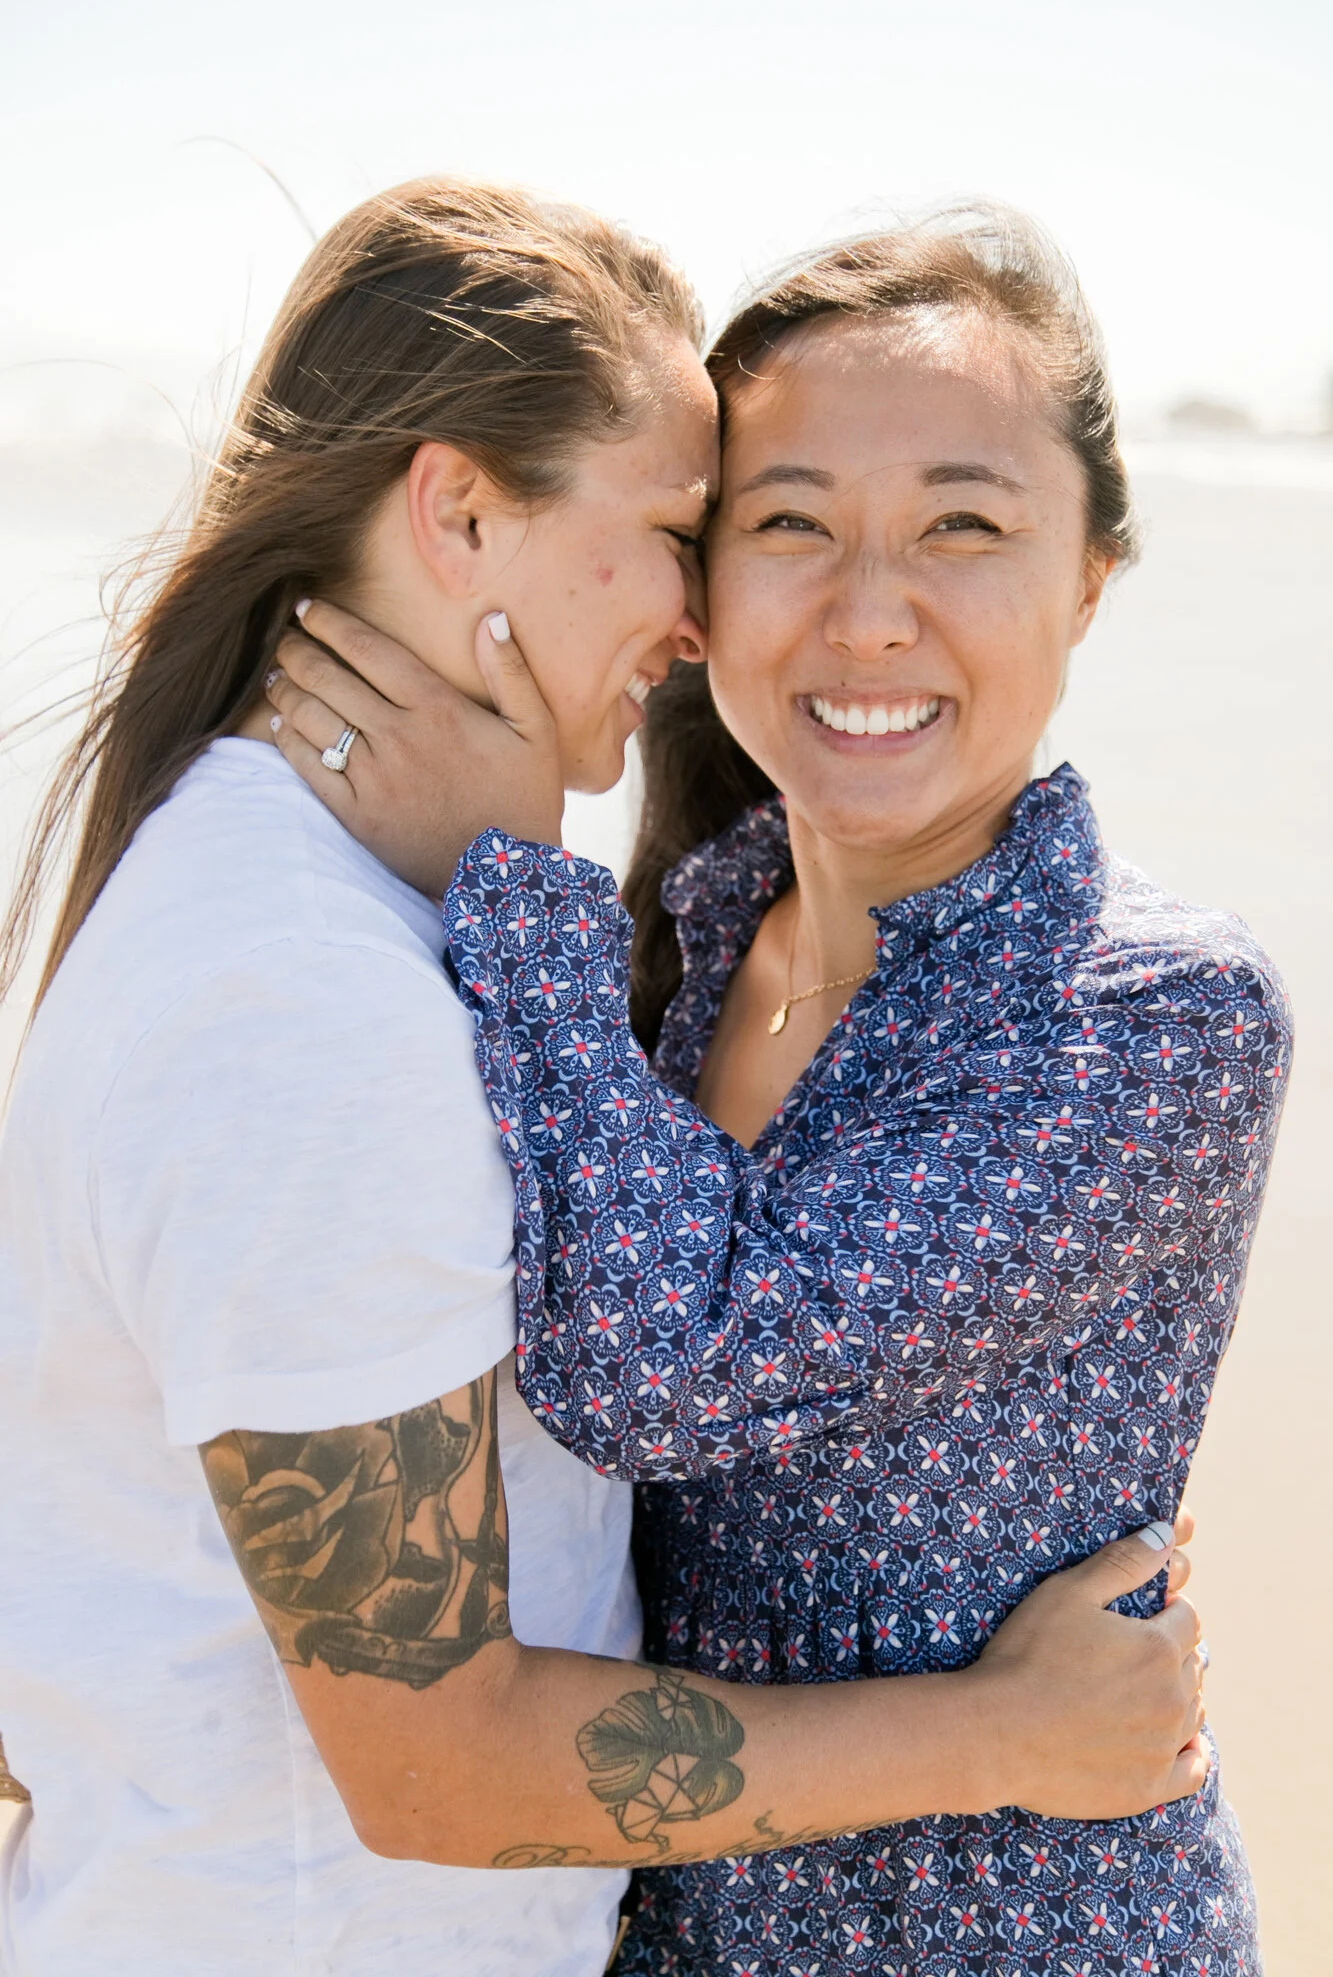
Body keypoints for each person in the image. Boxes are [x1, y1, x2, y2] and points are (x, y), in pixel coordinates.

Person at [0, 183, 1205, 1977]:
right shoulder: (307, 1000)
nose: (696, 607)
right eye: (680, 526)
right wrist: (1009, 1731)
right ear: (464, 512)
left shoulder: (354, 924)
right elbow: (435, 1766)